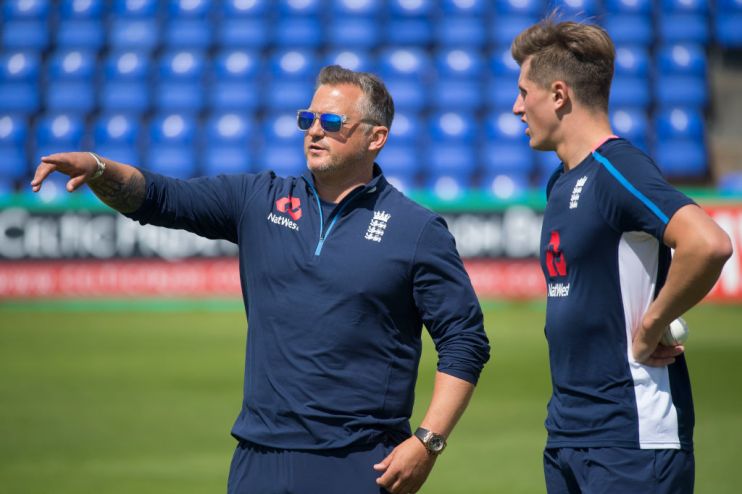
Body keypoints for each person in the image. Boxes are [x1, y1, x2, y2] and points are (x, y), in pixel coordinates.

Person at [31, 65, 490, 494]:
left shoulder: (416, 229)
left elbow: (464, 340)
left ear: (376, 138)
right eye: (307, 118)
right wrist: (99, 167)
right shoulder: (258, 199)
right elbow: (161, 197)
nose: (313, 130)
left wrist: (428, 442)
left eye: (331, 121)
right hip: (257, 459)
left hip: (360, 462)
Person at [510, 17, 733, 494]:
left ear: (558, 94)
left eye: (523, 92)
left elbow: (708, 243)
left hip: (631, 440)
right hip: (570, 433)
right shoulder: (560, 180)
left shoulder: (617, 168)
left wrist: (653, 323)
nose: (516, 107)